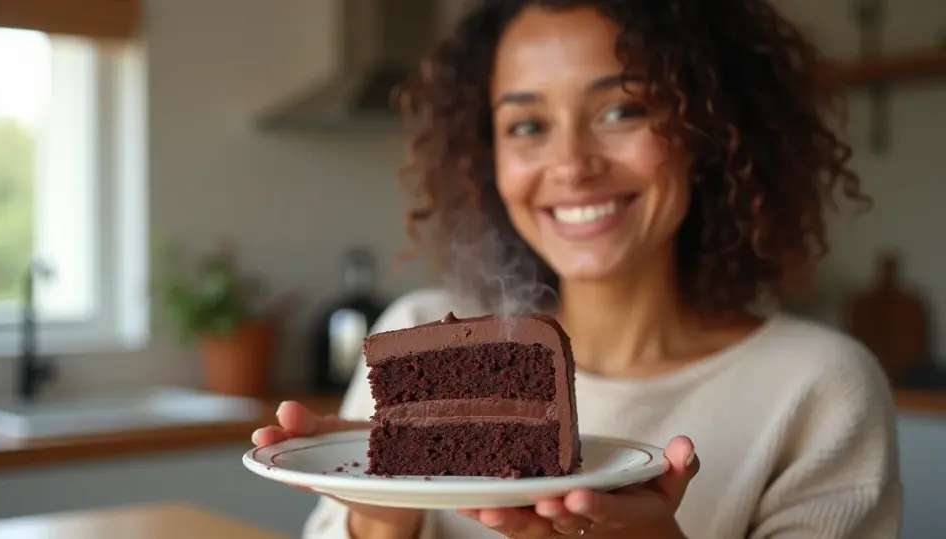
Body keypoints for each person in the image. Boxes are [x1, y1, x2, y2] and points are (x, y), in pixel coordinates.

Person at [253, 1, 902, 537]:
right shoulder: (415, 326)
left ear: (709, 127)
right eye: (528, 124)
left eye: (623, 110)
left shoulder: (818, 388)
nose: (571, 164)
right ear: (489, 158)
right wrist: (379, 518)